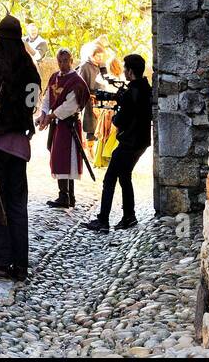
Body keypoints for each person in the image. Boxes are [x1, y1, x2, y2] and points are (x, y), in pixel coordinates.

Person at [0, 13, 42, 282]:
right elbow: (31, 107)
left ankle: (1, 261)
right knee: (16, 206)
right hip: (20, 148)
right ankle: (20, 265)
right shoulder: (32, 73)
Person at [84, 53, 152, 232]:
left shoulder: (131, 93)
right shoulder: (146, 88)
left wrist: (116, 116)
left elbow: (120, 120)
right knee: (124, 177)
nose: (124, 72)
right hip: (141, 141)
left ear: (130, 71)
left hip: (129, 141)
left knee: (110, 178)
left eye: (125, 69)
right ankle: (129, 216)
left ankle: (103, 220)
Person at [36, 48, 91, 209]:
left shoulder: (76, 81)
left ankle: (67, 196)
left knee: (68, 159)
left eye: (65, 60)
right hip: (58, 125)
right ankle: (64, 195)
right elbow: (47, 99)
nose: (62, 64)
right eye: (60, 61)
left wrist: (49, 117)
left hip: (69, 125)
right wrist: (43, 114)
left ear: (71, 60)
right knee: (59, 158)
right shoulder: (55, 77)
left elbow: (70, 106)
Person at [78, 41, 106, 152]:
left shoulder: (102, 68)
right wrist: (90, 96)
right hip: (89, 100)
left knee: (101, 127)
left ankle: (99, 153)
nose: (100, 58)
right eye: (98, 56)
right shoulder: (84, 66)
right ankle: (89, 151)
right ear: (92, 55)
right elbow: (81, 86)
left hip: (101, 99)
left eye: (101, 56)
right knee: (90, 127)